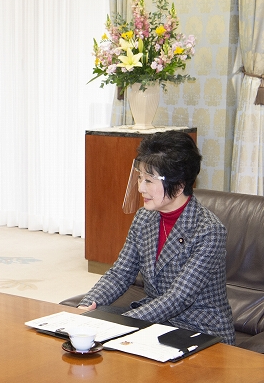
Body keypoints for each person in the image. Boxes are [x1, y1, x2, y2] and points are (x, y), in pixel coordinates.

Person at [77, 130, 235, 345]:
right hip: (156, 320)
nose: (141, 187)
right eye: (140, 177)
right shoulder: (145, 217)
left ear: (179, 186)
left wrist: (120, 325)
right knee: (87, 323)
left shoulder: (208, 231)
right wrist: (88, 305)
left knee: (108, 339)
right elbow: (121, 273)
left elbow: (179, 297)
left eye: (149, 180)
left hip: (200, 328)